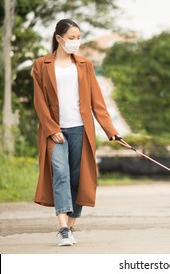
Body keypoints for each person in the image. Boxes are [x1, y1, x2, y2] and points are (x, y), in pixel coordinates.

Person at [32, 19, 121, 246]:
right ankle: (62, 229)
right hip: (55, 132)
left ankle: (71, 226)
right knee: (60, 174)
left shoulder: (85, 65)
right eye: (71, 38)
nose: (76, 42)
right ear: (59, 38)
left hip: (81, 130)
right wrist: (52, 130)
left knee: (78, 179)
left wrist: (111, 131)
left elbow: (97, 102)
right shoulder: (41, 65)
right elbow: (39, 102)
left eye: (78, 38)